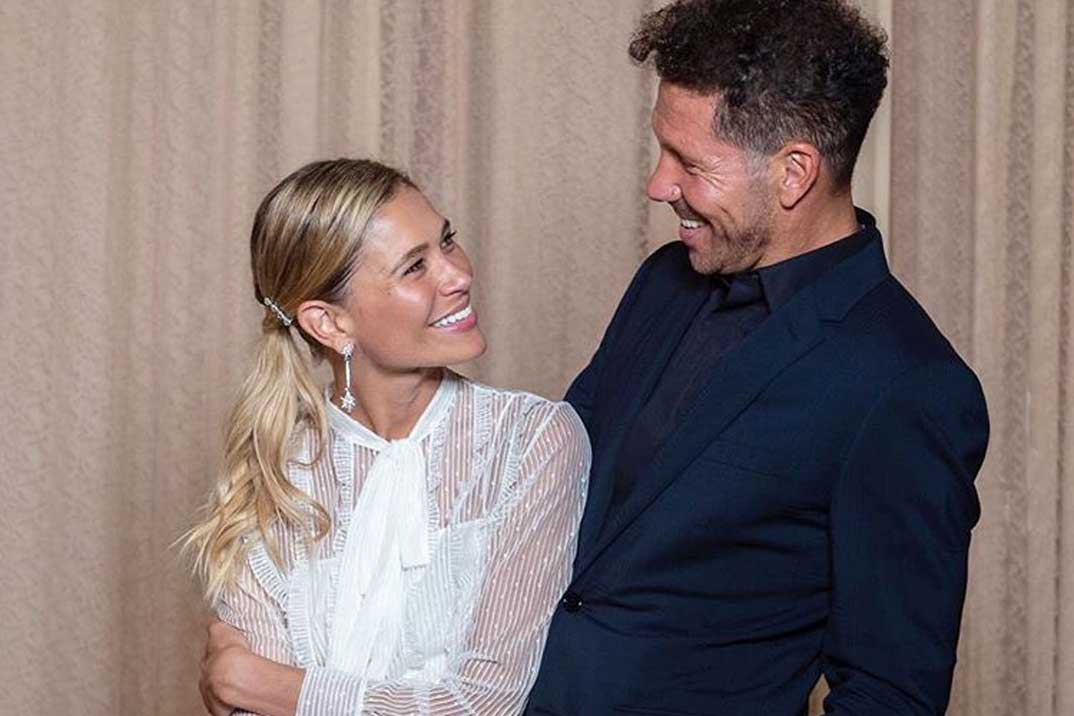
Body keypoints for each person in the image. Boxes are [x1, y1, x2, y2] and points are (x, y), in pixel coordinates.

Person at [524, 1, 989, 714]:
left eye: (690, 163)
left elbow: (890, 693)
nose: (658, 185)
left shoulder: (906, 384)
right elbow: (559, 471)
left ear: (794, 172)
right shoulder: (665, 280)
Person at [186, 159, 589, 716]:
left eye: (447, 241)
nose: (458, 275)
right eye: (414, 267)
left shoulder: (531, 441)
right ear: (330, 323)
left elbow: (483, 703)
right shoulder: (273, 470)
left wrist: (273, 687)